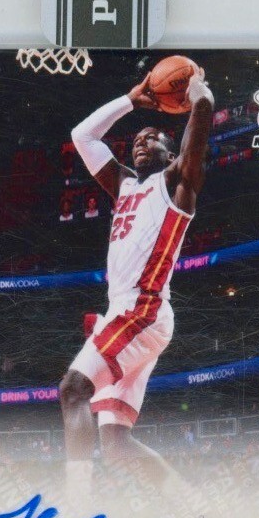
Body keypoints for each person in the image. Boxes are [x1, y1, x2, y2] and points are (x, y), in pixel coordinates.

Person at [59, 67, 214, 493]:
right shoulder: (125, 184)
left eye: (152, 138)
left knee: (73, 390)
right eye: (137, 140)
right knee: (115, 443)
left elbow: (198, 133)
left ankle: (76, 505)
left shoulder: (177, 183)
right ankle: (190, 502)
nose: (141, 143)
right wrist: (130, 100)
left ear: (171, 151)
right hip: (127, 313)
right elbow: (82, 136)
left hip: (142, 309)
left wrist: (199, 94)